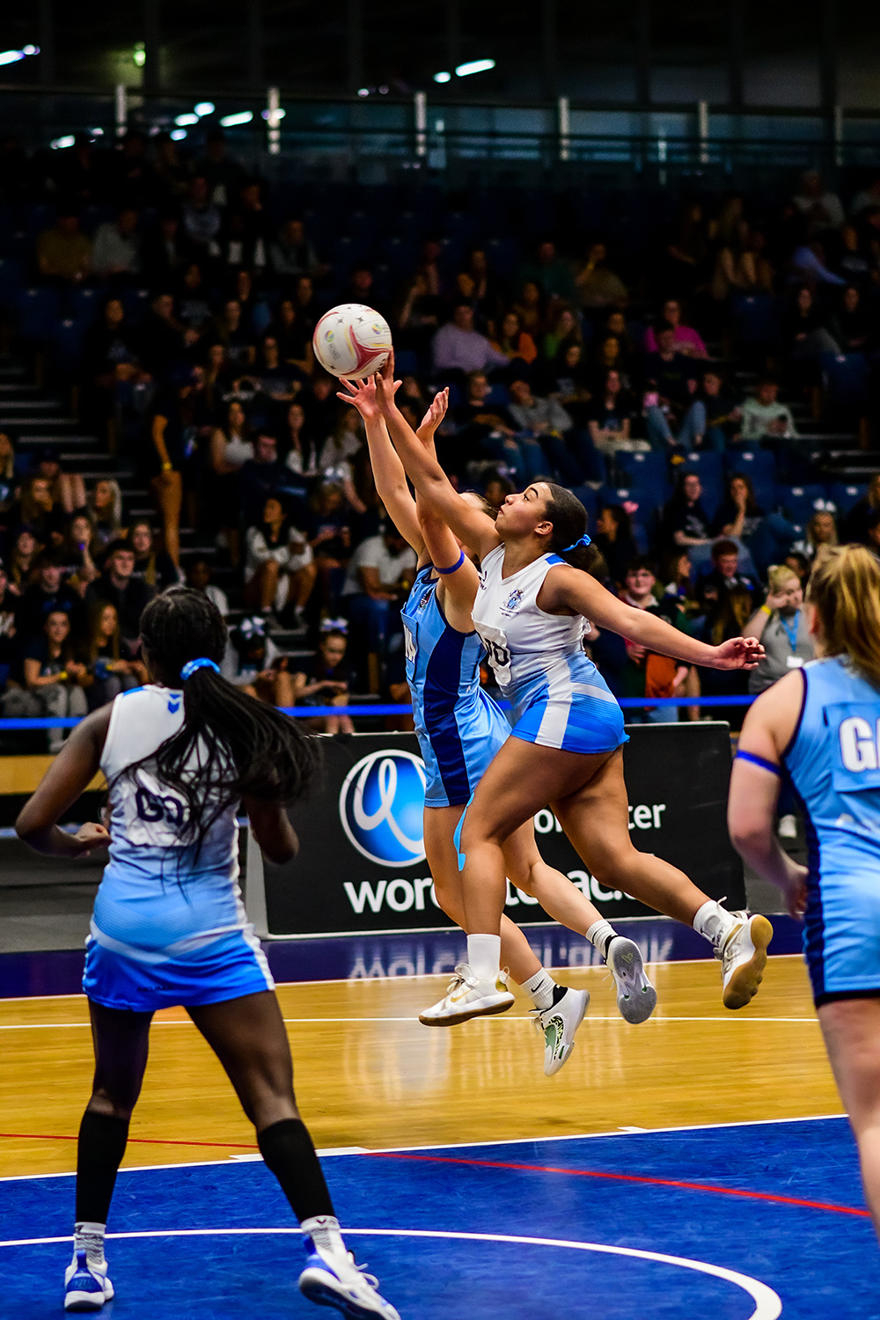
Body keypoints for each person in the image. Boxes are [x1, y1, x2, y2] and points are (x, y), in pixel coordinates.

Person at [14, 588, 400, 1318]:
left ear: (143, 653)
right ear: (218, 647)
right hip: (208, 933)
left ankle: (86, 1264)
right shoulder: (241, 725)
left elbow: (35, 823)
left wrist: (81, 844)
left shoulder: (111, 718)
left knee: (110, 1095)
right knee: (270, 1101)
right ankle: (329, 1254)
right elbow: (281, 852)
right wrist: (256, 809)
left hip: (123, 929)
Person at [373, 352, 772, 1025]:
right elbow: (429, 483)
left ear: (545, 527)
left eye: (526, 496)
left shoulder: (559, 577)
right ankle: (726, 929)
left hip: (563, 711)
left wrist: (712, 653)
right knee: (614, 861)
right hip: (583, 723)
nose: (509, 496)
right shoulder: (491, 551)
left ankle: (480, 976)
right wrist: (386, 413)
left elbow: (632, 621)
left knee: (480, 829)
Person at [338, 374, 656, 1074]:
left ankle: (540, 988)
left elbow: (421, 496)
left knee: (462, 887)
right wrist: (375, 420)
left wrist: (414, 440)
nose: (434, 509)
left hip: (459, 734)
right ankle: (590, 958)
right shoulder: (430, 567)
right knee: (519, 868)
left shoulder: (462, 582)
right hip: (457, 732)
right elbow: (398, 492)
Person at [727, 545, 880, 1241]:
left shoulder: (786, 697)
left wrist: (788, 878)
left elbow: (748, 827)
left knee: (876, 1120)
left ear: (813, 615)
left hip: (851, 909)